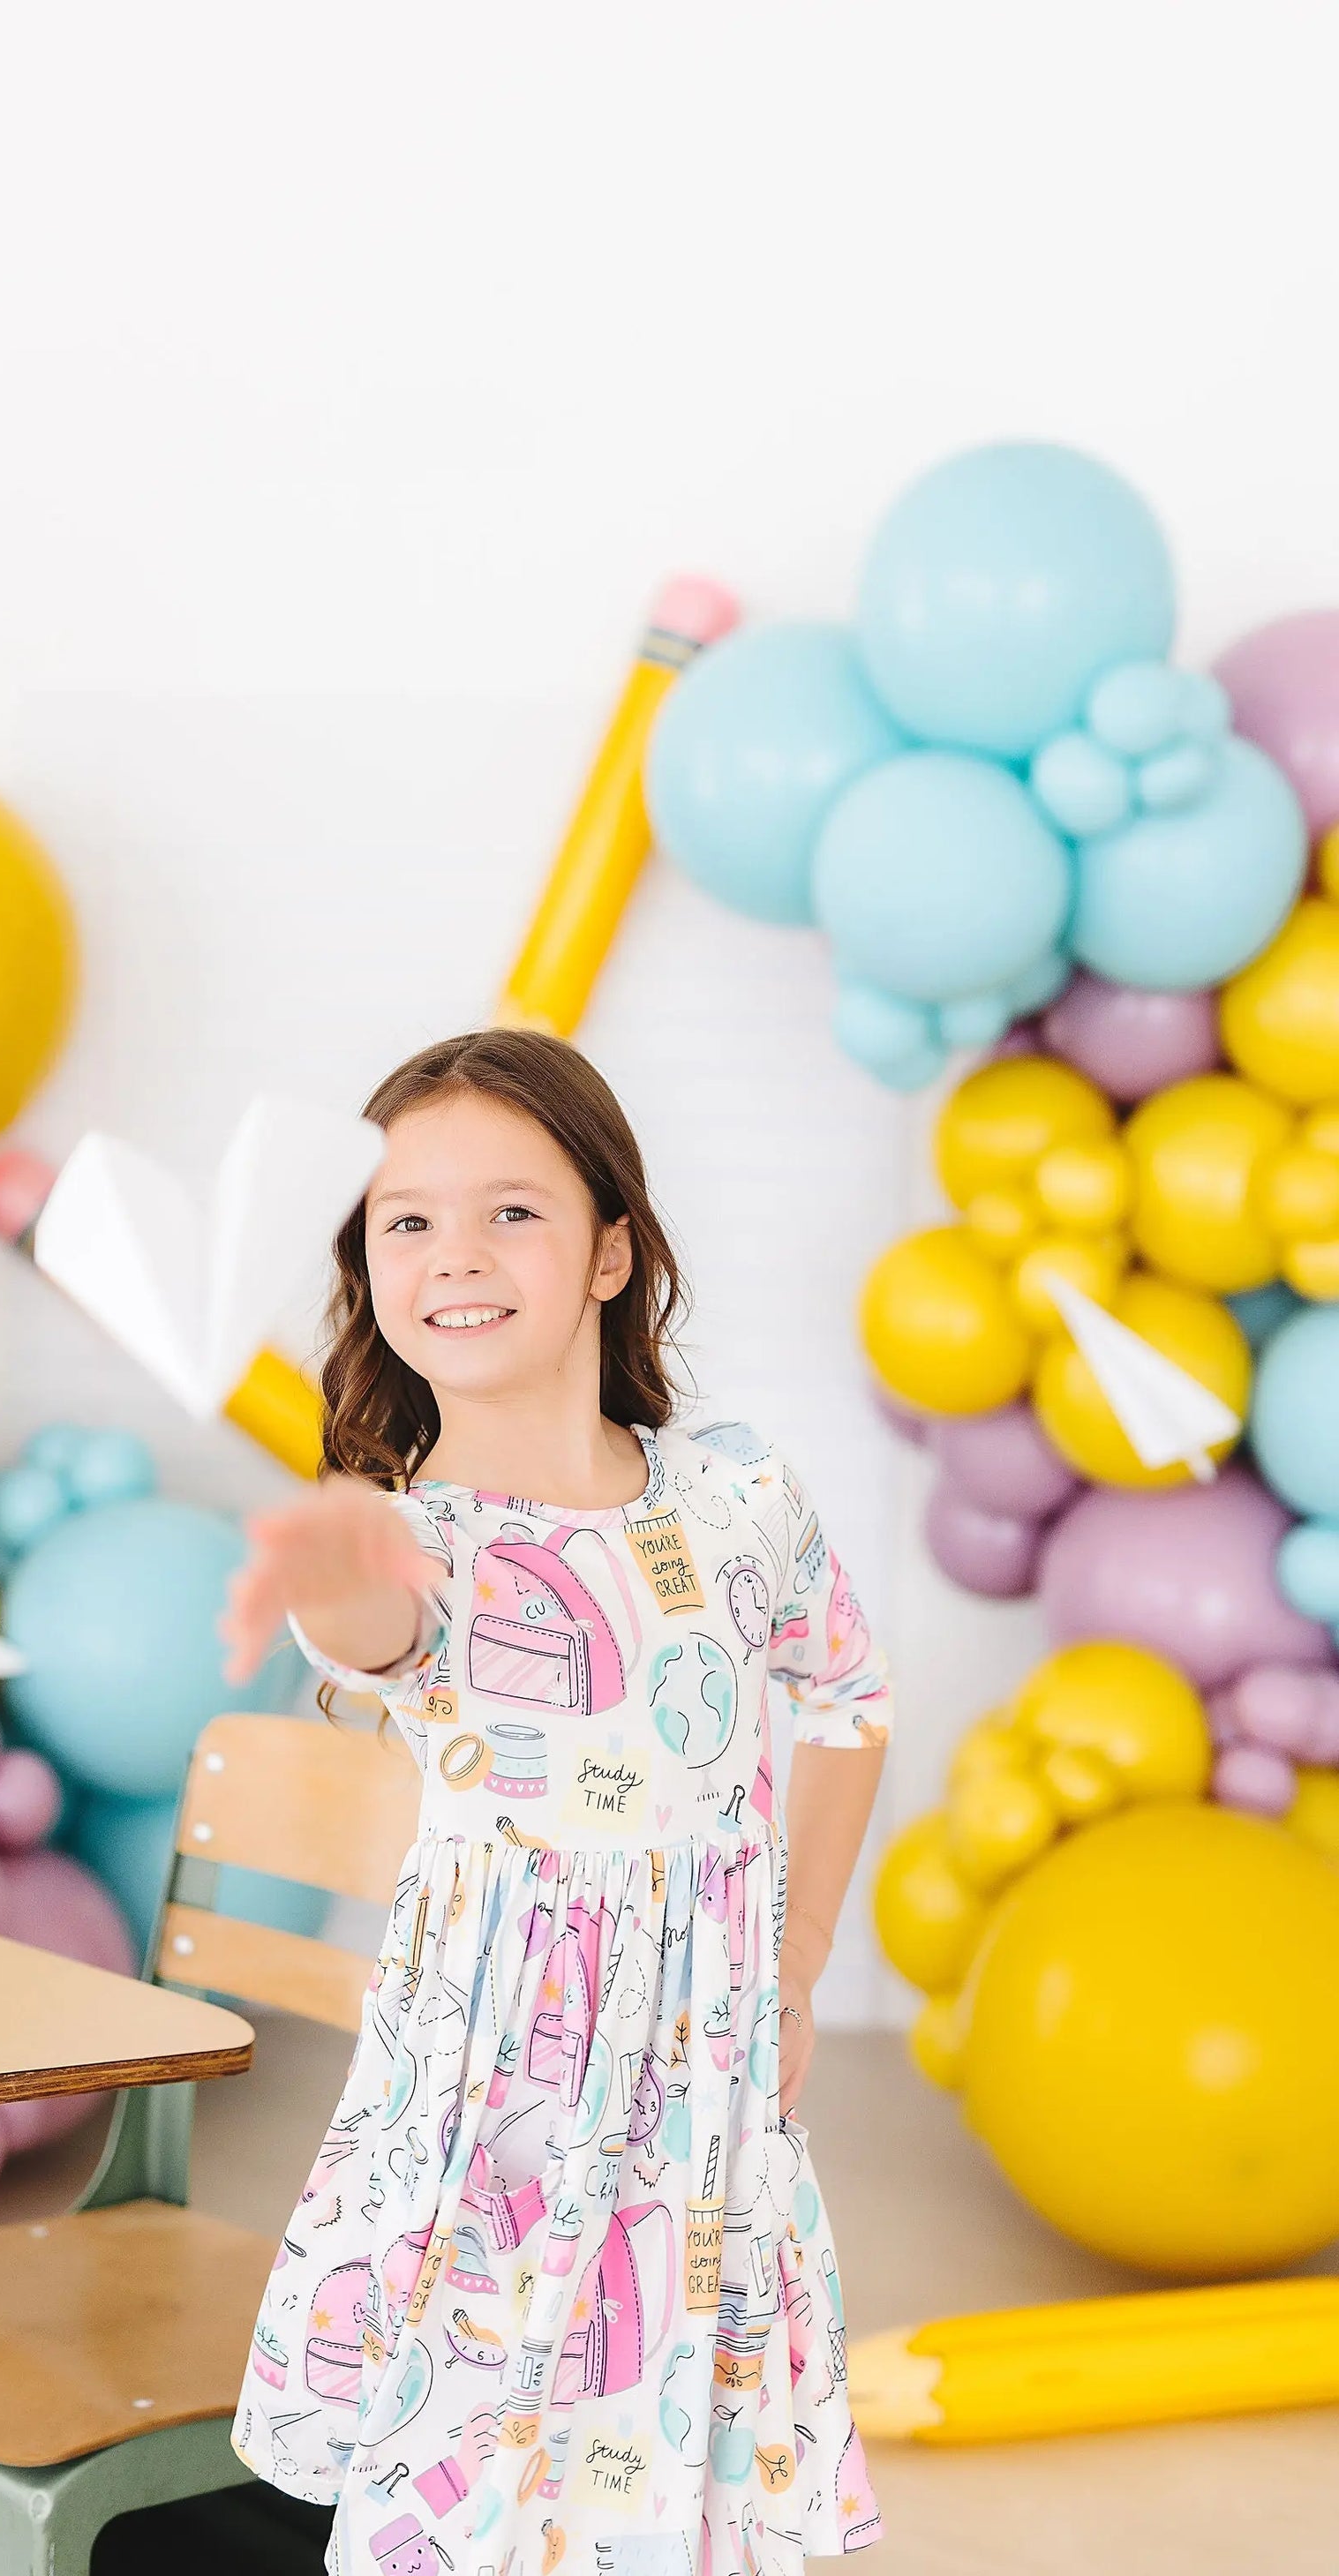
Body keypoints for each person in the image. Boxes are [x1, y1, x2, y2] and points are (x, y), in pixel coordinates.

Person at [219, 1028, 891, 2576]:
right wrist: (334, 1583)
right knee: (470, 2474)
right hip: (491, 2114)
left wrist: (793, 1969)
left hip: (704, 2088)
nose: (454, 1253)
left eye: (508, 1210)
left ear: (611, 1252)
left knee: (669, 2471)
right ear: (368, 1271)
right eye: (405, 1220)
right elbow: (376, 1633)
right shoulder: (418, 1542)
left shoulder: (734, 1495)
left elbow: (848, 1699)